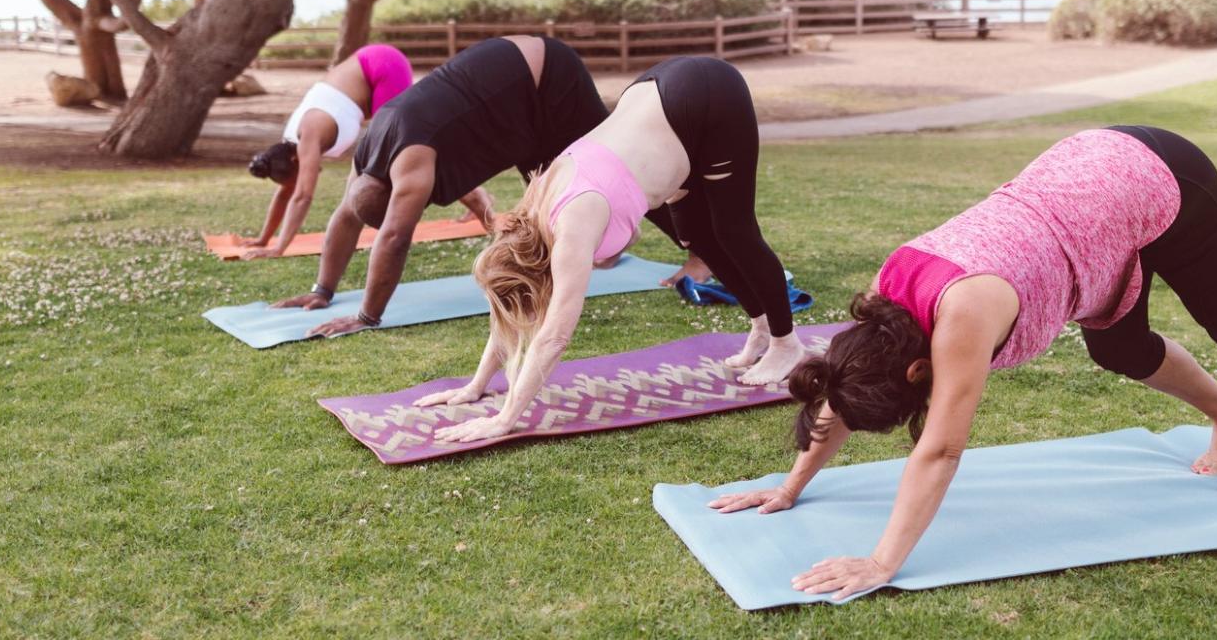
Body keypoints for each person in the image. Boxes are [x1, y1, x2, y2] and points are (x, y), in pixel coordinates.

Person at [708, 126, 1217, 600]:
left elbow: (941, 450)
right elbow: (840, 384)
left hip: (1157, 179)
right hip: (1086, 191)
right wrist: (792, 486)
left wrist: (881, 562)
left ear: (917, 373)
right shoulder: (883, 312)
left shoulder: (962, 317)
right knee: (1119, 347)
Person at [419, 56, 804, 444]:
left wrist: (505, 419)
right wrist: (476, 385)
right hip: (661, 98)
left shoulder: (571, 230)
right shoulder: (532, 215)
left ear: (539, 274)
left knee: (735, 231)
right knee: (699, 241)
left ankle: (786, 344)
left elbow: (554, 336)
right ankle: (761, 326)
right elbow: (510, 311)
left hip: (705, 97)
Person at [273, 37, 707, 333]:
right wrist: (323, 291)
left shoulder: (411, 162)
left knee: (619, 174)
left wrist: (367, 316)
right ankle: (603, 245)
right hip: (512, 109)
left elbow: (393, 238)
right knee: (553, 197)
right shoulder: (368, 159)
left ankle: (703, 255)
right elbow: (346, 219)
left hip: (542, 77)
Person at [241, 44, 416, 260]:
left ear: (296, 160)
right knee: (397, 151)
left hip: (383, 66)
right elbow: (286, 193)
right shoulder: (285, 149)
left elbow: (302, 196)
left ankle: (471, 200)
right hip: (368, 72)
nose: (298, 183)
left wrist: (279, 249)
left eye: (295, 179)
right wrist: (263, 239)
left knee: (405, 154)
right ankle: (470, 200)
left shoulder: (309, 135)